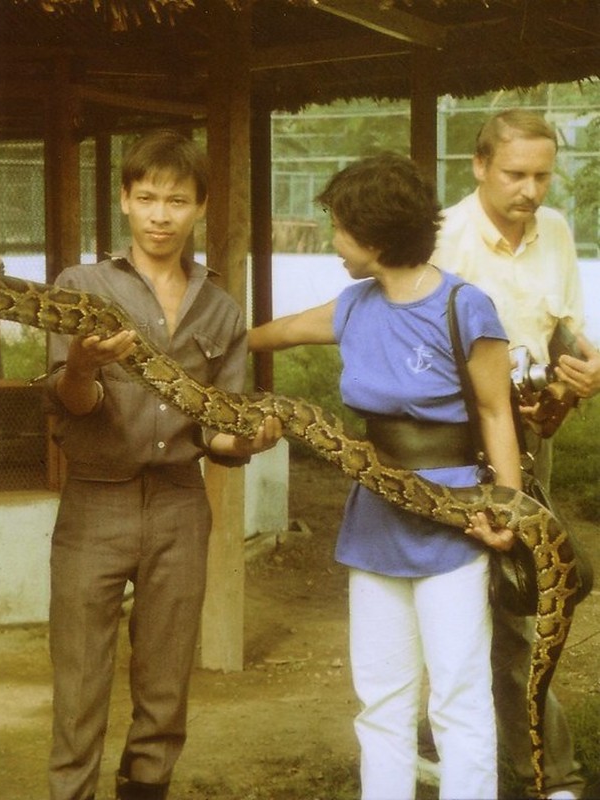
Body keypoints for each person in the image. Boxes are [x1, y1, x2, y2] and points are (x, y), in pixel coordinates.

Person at [248, 152, 520, 800]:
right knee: (380, 699)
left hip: (453, 519)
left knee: (455, 696)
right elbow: (273, 333)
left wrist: (505, 511)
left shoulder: (464, 306)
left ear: (371, 235)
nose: (332, 241)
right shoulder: (353, 305)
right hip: (374, 518)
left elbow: (494, 413)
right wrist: (179, 338)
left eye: (338, 228)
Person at [44, 130, 282, 800]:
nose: (158, 214)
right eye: (145, 197)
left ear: (199, 207)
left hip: (180, 502)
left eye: (175, 200)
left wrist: (250, 440)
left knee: (165, 683)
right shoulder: (81, 285)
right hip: (94, 501)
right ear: (123, 199)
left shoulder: (221, 307)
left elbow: (219, 434)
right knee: (79, 681)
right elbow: (69, 401)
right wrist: (84, 365)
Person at [432, 108, 600, 800]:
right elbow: (419, 348)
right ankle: (543, 772)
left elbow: (561, 327)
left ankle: (510, 761)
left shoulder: (555, 231)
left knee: (520, 597)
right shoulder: (443, 237)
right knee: (476, 604)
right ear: (477, 167)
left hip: (530, 435)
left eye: (541, 175)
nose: (530, 190)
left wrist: (582, 365)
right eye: (514, 174)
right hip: (450, 437)